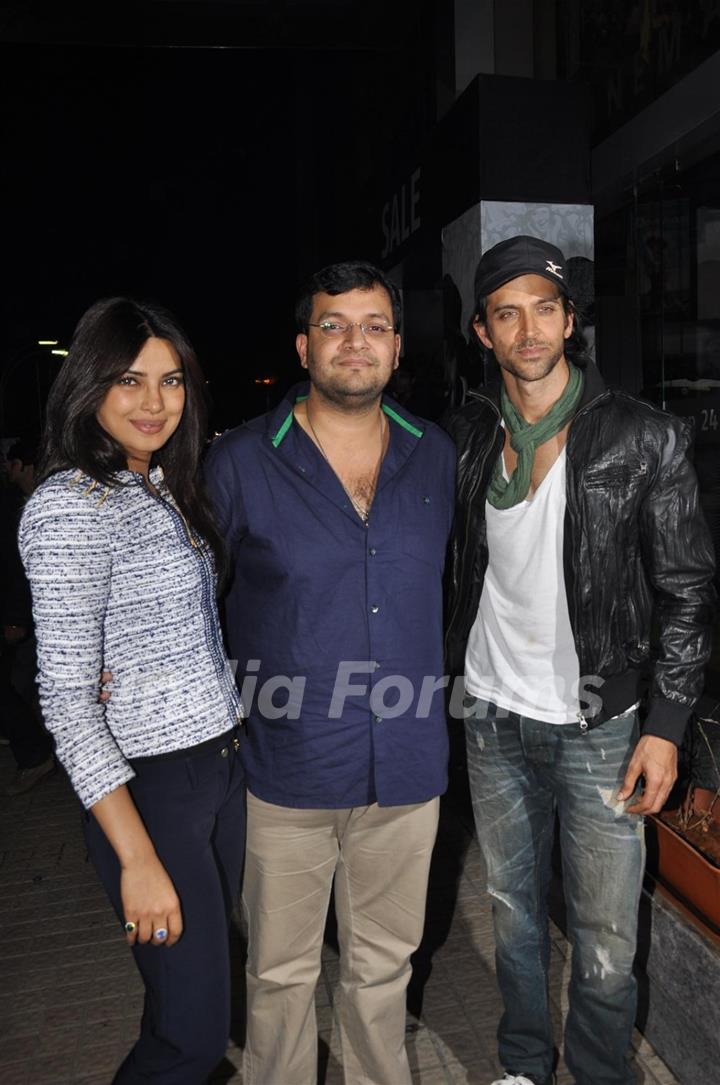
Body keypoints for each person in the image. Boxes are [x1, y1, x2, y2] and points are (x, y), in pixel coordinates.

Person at [444, 235, 716, 1085]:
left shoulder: (645, 437)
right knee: (513, 914)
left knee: (603, 936)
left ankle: (601, 1073)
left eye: (544, 307)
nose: (528, 329)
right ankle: (523, 1062)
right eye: (505, 312)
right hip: (490, 716)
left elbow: (689, 591)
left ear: (569, 319)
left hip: (602, 723)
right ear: (483, 332)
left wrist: (665, 726)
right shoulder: (463, 435)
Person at [205, 260, 455, 1085]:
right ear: (305, 345)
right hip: (287, 771)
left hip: (409, 767)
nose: (356, 342)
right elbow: (197, 601)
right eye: (335, 325)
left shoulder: (436, 455)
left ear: (397, 345)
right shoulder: (239, 462)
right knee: (279, 976)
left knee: (385, 969)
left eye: (375, 325)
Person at [19, 298, 245, 1084]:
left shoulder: (158, 485)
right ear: (88, 386)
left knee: (185, 1003)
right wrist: (138, 858)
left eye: (171, 381)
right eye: (129, 380)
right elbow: (67, 702)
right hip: (151, 791)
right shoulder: (70, 506)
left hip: (216, 766)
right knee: (192, 1034)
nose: (155, 402)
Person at [0, 437, 55, 794]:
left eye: (11, 462)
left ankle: (36, 750)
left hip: (39, 610)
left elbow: (14, 567)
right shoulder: (17, 502)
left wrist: (17, 616)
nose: (7, 468)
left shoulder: (42, 501)